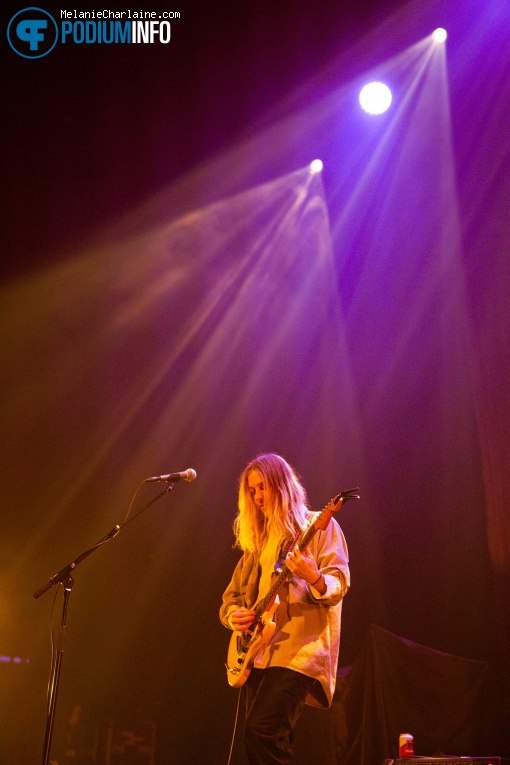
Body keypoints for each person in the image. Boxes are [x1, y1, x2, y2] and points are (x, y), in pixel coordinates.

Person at [219, 453, 350, 765]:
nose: (258, 496)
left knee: (261, 731)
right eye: (252, 491)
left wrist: (312, 576)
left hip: (299, 650)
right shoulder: (258, 543)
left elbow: (339, 582)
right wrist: (235, 615)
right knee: (272, 739)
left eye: (263, 487)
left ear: (283, 486)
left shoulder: (319, 527)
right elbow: (230, 599)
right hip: (260, 652)